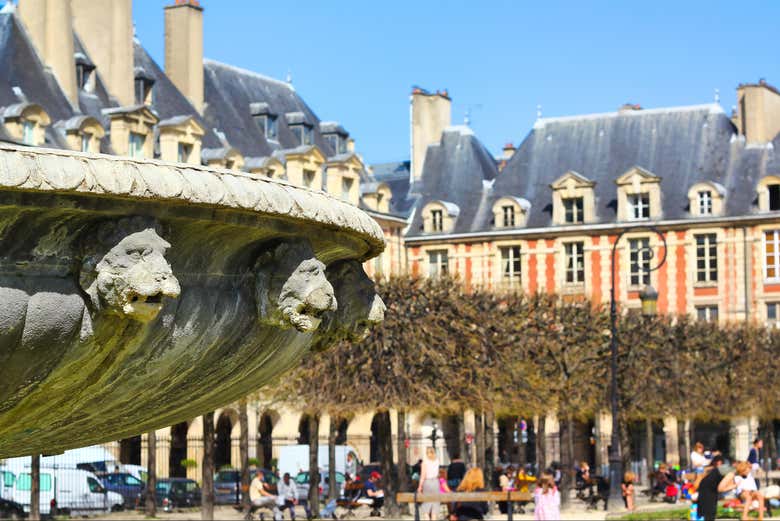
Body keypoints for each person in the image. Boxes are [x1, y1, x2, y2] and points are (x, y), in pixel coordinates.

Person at [694, 454, 725, 521]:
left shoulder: (721, 471)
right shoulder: (708, 470)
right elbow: (697, 483)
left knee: (710, 512)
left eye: (720, 462)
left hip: (712, 493)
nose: (718, 464)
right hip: (705, 492)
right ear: (714, 462)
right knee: (707, 513)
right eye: (717, 462)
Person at [417, 447, 441, 520]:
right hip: (436, 482)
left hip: (427, 482)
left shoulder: (425, 462)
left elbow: (423, 475)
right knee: (435, 504)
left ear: (427, 453)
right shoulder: (437, 461)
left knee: (426, 504)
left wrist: (420, 486)